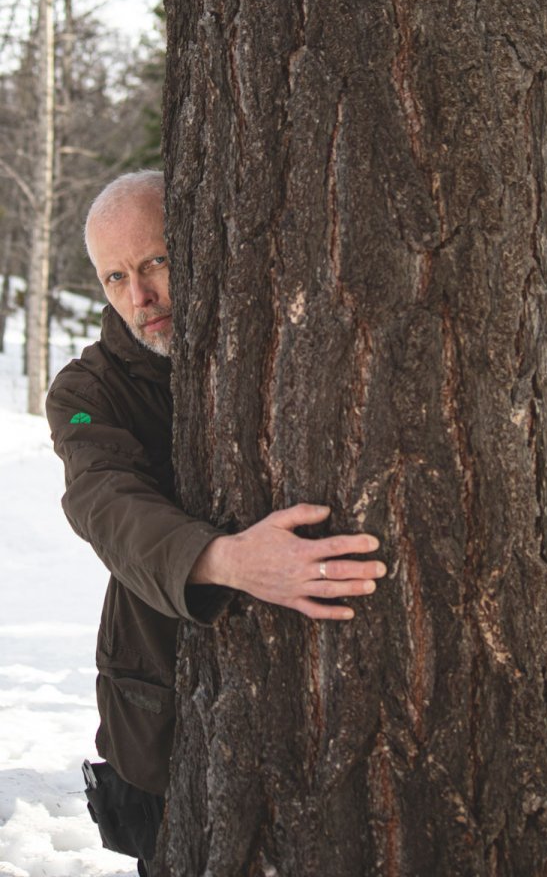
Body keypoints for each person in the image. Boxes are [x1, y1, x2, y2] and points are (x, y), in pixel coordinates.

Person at [46, 170, 387, 875]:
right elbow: (102, 498)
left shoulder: (286, 320)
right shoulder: (89, 389)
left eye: (155, 262)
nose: (139, 297)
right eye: (115, 278)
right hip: (162, 718)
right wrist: (224, 560)